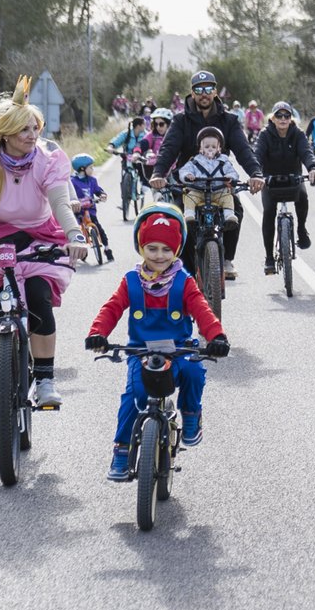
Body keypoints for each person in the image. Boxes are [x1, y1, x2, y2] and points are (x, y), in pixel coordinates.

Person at [85, 204, 229, 480]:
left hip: (179, 349)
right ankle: (122, 449)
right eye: (152, 248)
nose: (159, 256)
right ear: (141, 248)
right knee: (133, 396)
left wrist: (216, 337)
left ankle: (190, 412)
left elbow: (202, 310)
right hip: (140, 351)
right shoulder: (131, 281)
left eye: (166, 249)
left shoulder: (184, 282)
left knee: (194, 372)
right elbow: (112, 308)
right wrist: (98, 334)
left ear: (176, 250)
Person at [0, 77, 89, 408]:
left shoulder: (48, 160)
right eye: (24, 130)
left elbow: (60, 203)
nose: (32, 136)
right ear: (6, 133)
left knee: (40, 298)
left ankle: (44, 378)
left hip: (40, 236)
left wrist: (74, 235)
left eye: (35, 128)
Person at [150, 70, 264, 279]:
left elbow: (243, 150)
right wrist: (158, 173)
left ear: (215, 92)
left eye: (209, 89)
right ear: (192, 93)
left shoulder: (228, 120)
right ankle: (183, 270)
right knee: (177, 217)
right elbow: (168, 149)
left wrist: (256, 173)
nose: (204, 94)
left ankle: (227, 259)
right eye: (199, 90)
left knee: (236, 209)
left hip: (220, 181)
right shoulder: (180, 121)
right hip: (188, 183)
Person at [256, 101, 315, 274]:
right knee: (269, 212)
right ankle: (269, 258)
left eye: (286, 115)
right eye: (279, 115)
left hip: (293, 178)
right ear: (273, 118)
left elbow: (306, 152)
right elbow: (258, 156)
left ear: (291, 118)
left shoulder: (298, 134)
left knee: (303, 197)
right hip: (270, 180)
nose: (283, 119)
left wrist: (313, 167)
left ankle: (301, 229)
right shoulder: (265, 135)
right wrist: (256, 174)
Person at [179, 126, 239, 228]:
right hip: (199, 191)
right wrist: (187, 176)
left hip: (218, 191)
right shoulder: (195, 161)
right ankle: (189, 215)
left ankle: (229, 216)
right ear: (201, 148)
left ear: (219, 148)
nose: (210, 149)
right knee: (189, 197)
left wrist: (230, 177)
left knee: (228, 197)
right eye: (207, 147)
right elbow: (184, 170)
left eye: (213, 147)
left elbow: (232, 172)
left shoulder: (224, 161)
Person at [69, 154, 114, 262]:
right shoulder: (72, 181)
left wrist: (101, 194)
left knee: (98, 228)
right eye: (90, 167)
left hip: (90, 210)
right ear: (82, 169)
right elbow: (68, 193)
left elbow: (97, 190)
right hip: (78, 210)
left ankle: (107, 249)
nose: (92, 169)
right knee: (76, 229)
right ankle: (79, 248)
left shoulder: (92, 180)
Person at [133, 107, 172, 185]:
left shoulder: (176, 136)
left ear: (168, 124)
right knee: (158, 196)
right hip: (158, 173)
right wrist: (137, 152)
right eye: (156, 124)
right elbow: (141, 144)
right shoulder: (152, 136)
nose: (158, 127)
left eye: (161, 124)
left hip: (174, 172)